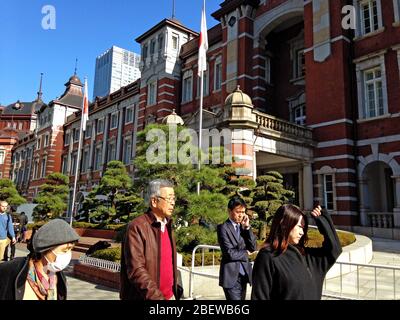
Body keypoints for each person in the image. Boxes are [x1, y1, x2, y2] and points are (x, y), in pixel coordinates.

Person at [251, 204, 342, 300]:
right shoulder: (268, 256)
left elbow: (334, 249)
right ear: (285, 224)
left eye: (303, 228)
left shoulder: (307, 256)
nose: (302, 232)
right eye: (299, 226)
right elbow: (260, 296)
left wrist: (323, 219)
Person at [120, 179, 183, 300]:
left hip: (170, 296)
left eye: (174, 198)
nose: (173, 203)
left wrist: (176, 288)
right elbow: (136, 270)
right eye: (169, 199)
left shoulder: (168, 225)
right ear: (154, 201)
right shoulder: (137, 227)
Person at [0, 219, 80, 300]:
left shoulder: (58, 277)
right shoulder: (12, 270)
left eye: (71, 249)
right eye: (65, 250)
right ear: (45, 249)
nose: (68, 254)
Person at [217, 196, 257, 300]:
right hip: (231, 276)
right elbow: (229, 253)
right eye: (238, 211)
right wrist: (245, 253)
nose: (241, 215)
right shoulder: (223, 228)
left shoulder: (243, 227)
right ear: (229, 211)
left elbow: (253, 247)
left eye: (243, 212)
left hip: (244, 274)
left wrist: (247, 228)